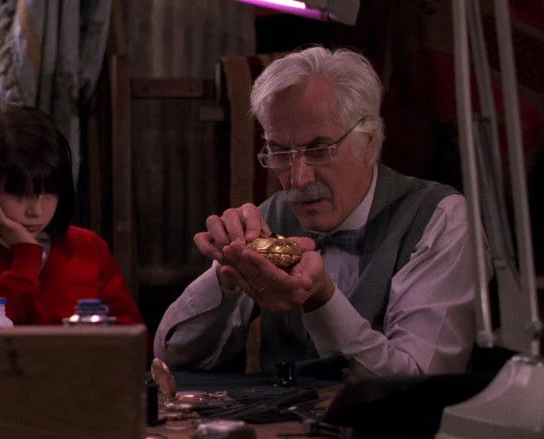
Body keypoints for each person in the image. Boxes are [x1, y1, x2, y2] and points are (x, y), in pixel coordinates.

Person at [154, 47, 485, 378]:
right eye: (280, 152)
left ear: (369, 142)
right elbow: (171, 358)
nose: (298, 180)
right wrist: (227, 277)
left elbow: (419, 381)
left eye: (319, 149)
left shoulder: (440, 219)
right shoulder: (271, 219)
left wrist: (320, 298)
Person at [0, 104, 146, 328]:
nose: (36, 211)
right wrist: (26, 257)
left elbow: (132, 337)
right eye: (19, 194)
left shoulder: (88, 248)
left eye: (49, 193)